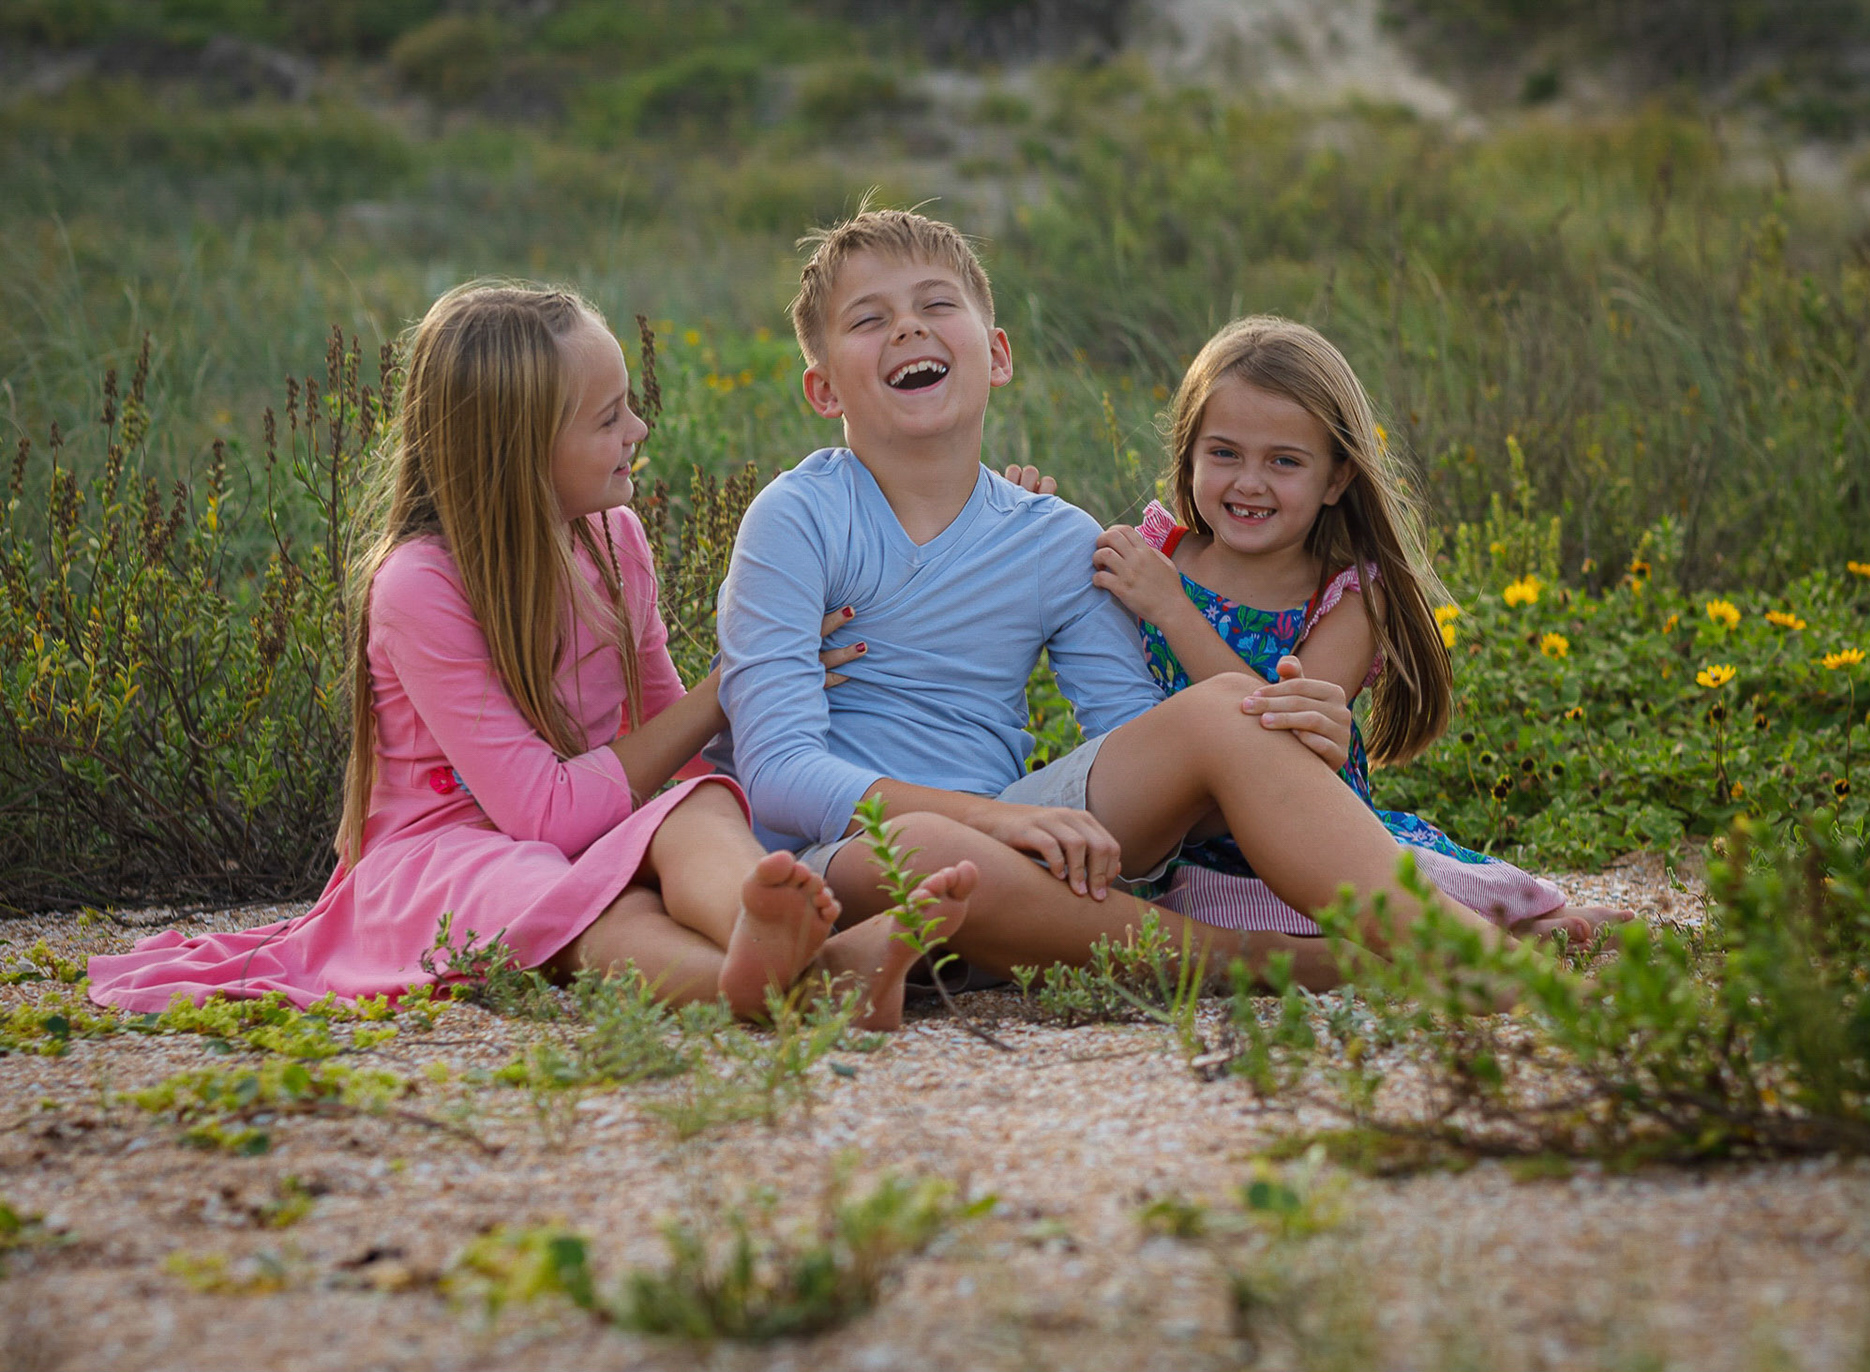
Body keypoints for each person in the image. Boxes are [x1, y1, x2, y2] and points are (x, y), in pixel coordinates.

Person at [88, 281, 971, 1027]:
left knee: (698, 803)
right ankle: (777, 986)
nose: (639, 428)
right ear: (516, 452)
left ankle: (766, 929)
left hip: (573, 826)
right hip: (444, 860)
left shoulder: (613, 539)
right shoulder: (419, 586)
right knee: (552, 886)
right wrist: (733, 680)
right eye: (607, 418)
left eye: (628, 404)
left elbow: (668, 742)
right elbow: (539, 815)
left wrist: (774, 704)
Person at [708, 208, 1539, 991]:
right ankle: (1281, 963)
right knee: (927, 850)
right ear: (823, 391)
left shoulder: (1054, 539)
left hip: (1025, 840)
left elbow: (1129, 733)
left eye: (935, 304)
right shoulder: (796, 517)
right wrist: (989, 826)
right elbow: (779, 774)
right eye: (867, 319)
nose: (909, 328)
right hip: (845, 856)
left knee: (1221, 710)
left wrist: (1274, 754)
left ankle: (1469, 958)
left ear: (997, 355)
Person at [1090, 315, 1630, 943]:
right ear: (1188, 455)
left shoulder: (1348, 597)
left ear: (1338, 478)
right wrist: (1020, 499)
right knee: (1223, 920)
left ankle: (1515, 936)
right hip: (1181, 850)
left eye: (1285, 461)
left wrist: (1173, 612)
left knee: (1383, 901)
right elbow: (1048, 593)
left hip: (1317, 837)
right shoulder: (1155, 555)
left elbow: (1272, 739)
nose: (1249, 482)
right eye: (1224, 453)